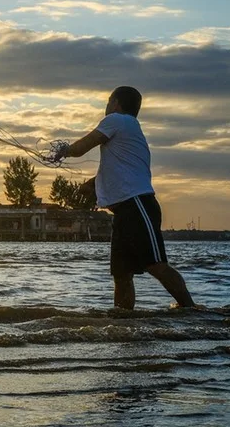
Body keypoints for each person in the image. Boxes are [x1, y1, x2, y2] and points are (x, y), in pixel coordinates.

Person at [51, 86, 194, 310]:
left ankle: (191, 308)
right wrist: (92, 184)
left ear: (116, 103)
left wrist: (64, 151)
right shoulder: (128, 128)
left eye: (108, 101)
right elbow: (119, 168)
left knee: (156, 265)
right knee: (122, 273)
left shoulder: (117, 119)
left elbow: (83, 146)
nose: (106, 106)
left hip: (138, 205)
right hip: (124, 211)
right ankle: (123, 321)